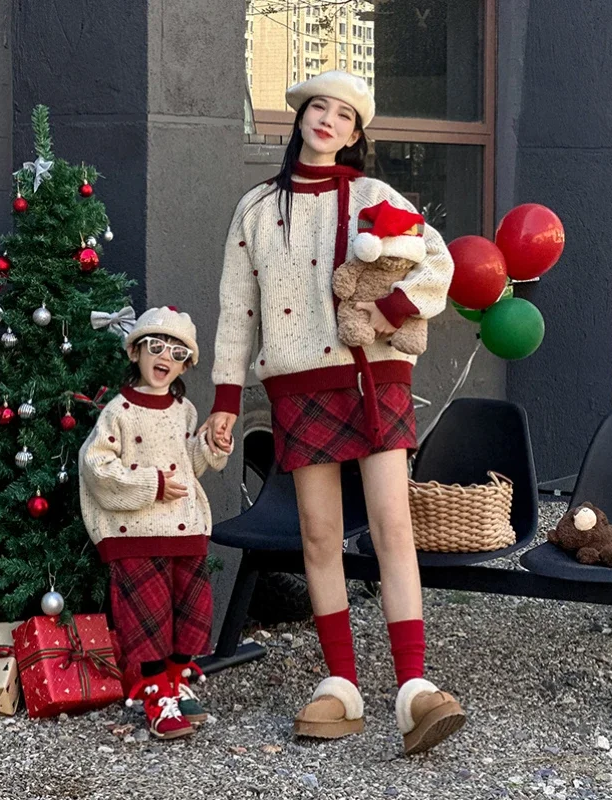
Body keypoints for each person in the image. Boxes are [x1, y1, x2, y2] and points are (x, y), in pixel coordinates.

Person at [201, 71, 464, 755]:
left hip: (375, 376)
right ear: (300, 119)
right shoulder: (256, 208)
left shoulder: (376, 195)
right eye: (319, 106)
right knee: (318, 535)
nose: (327, 119)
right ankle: (340, 684)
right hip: (299, 386)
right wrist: (226, 402)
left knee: (391, 525)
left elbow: (436, 264)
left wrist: (389, 311)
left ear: (355, 134)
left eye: (343, 114)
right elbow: (237, 312)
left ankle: (414, 688)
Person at [79, 306, 231, 740]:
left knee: (190, 610)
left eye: (178, 352)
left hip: (183, 528)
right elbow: (96, 465)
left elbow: (189, 466)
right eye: (157, 347)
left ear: (186, 364)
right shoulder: (119, 411)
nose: (166, 357)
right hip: (137, 532)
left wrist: (211, 445)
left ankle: (175, 681)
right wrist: (151, 483)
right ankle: (153, 692)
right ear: (136, 352)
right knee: (146, 615)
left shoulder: (184, 410)